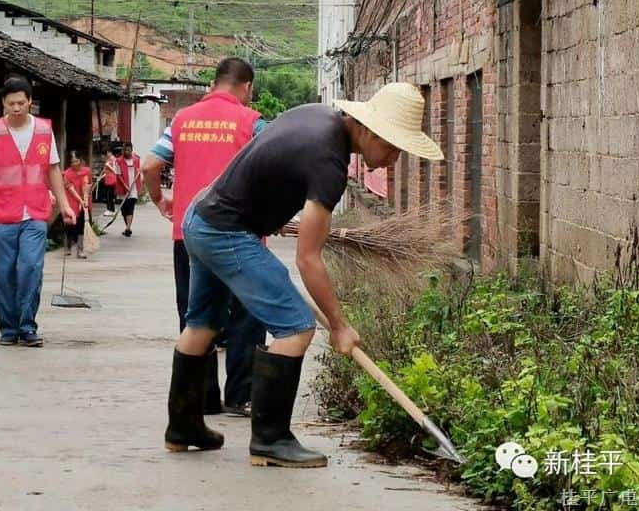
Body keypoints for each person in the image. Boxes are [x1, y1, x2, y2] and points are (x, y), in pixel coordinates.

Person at [163, 82, 443, 468]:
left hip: (201, 215)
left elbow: (267, 163)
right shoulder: (330, 164)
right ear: (368, 130)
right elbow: (308, 259)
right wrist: (340, 325)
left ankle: (183, 428)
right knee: (295, 327)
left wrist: (265, 208)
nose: (394, 157)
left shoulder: (318, 115)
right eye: (393, 146)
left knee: (203, 323)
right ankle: (270, 440)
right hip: (226, 230)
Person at [143, 57, 268, 417]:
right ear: (247, 88)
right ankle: (241, 396)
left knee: (196, 314)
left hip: (190, 232)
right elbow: (273, 168)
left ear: (214, 84)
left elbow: (151, 164)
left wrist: (160, 200)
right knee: (247, 314)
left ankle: (203, 398)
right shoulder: (252, 123)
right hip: (241, 234)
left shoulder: (182, 120)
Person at [0, 75, 76, 347]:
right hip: (0, 214)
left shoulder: (43, 130)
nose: (16, 108)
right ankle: (8, 328)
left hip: (35, 212)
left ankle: (28, 325)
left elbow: (53, 168)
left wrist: (64, 205)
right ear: (3, 104)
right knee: (3, 272)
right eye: (10, 104)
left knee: (30, 267)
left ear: (30, 102)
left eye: (21, 103)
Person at [62, 151, 92, 259]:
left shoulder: (87, 171)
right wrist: (81, 201)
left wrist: (85, 198)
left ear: (81, 160)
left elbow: (88, 185)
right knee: (70, 225)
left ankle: (80, 250)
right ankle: (68, 247)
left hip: (84, 201)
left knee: (81, 226)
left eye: (76, 161)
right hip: (71, 202)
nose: (74, 163)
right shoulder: (67, 174)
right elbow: (71, 190)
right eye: (72, 161)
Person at [115, 142, 142, 237]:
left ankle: (128, 228)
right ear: (123, 150)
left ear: (131, 150)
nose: (127, 152)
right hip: (123, 188)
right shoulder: (118, 161)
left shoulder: (136, 160)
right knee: (124, 210)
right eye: (125, 150)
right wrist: (126, 186)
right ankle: (127, 226)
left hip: (133, 188)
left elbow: (139, 171)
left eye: (129, 150)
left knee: (130, 207)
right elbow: (118, 175)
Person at [101, 148, 119, 217]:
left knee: (109, 195)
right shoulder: (108, 160)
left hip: (112, 179)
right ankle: (109, 209)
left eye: (107, 153)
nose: (106, 154)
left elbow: (115, 170)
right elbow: (106, 171)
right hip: (108, 179)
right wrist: (101, 177)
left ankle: (111, 210)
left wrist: (108, 165)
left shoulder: (113, 159)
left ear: (110, 152)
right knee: (108, 195)